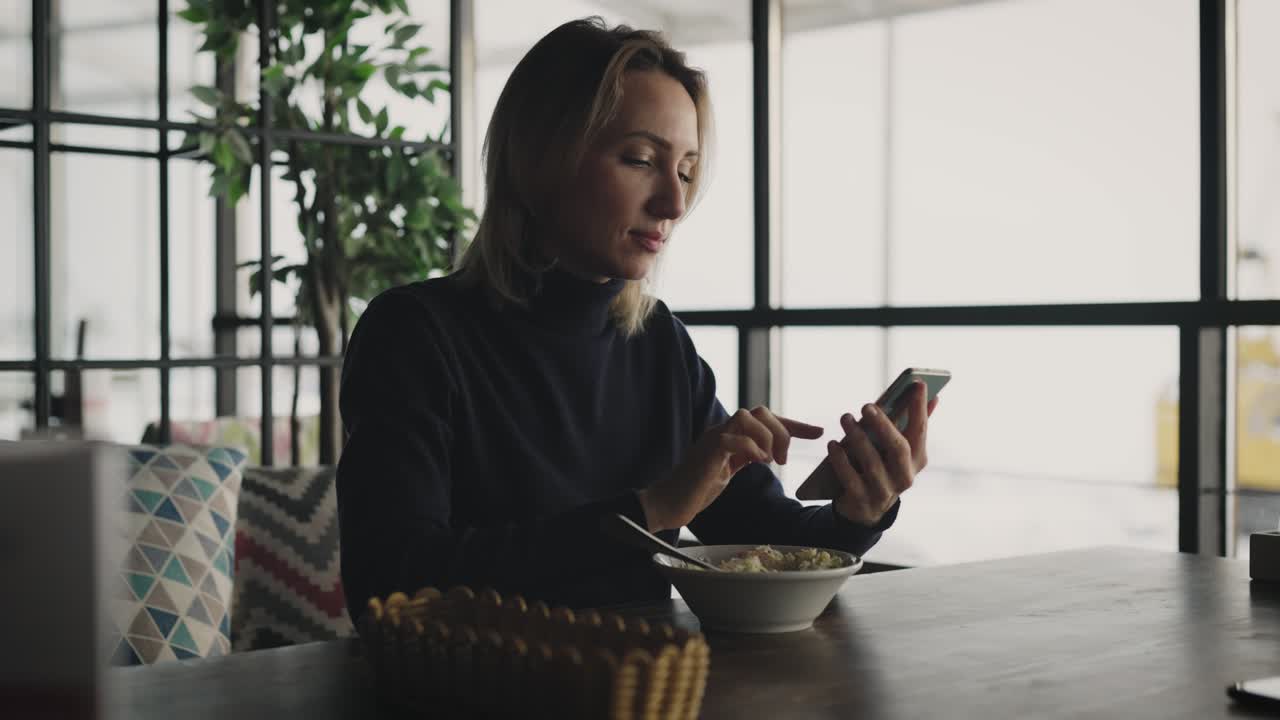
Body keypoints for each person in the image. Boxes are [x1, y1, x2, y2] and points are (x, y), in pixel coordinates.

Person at [336, 17, 938, 614]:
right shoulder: (413, 334)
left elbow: (774, 545)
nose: (674, 203)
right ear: (541, 157)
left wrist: (862, 509)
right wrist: (653, 509)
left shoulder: (658, 344)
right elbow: (391, 581)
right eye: (640, 159)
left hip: (646, 694)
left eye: (684, 171)